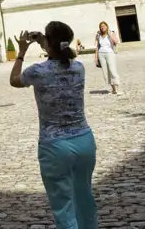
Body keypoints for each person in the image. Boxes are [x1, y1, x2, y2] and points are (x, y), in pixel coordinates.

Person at [10, 22, 97, 229]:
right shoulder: (78, 68)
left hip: (55, 145)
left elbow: (14, 80)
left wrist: (21, 52)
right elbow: (61, 54)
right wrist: (45, 41)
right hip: (84, 140)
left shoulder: (38, 71)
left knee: (63, 206)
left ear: (49, 42)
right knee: (84, 199)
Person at [94, 22, 120, 95]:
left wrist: (109, 34)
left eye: (104, 26)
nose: (102, 27)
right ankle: (113, 89)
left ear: (107, 26)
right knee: (106, 72)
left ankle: (117, 87)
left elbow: (116, 41)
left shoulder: (111, 33)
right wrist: (96, 57)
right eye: (101, 26)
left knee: (112, 70)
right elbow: (96, 46)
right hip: (101, 54)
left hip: (109, 53)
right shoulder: (98, 35)